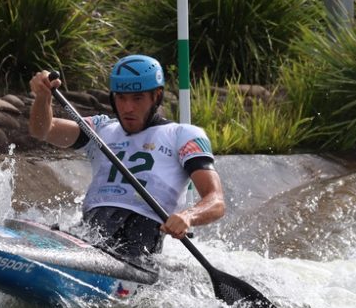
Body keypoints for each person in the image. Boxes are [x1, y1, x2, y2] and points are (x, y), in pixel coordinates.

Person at [28, 54, 225, 259]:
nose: (127, 108)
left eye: (137, 98)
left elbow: (216, 200)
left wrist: (188, 216)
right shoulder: (101, 128)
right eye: (121, 98)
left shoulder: (183, 135)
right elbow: (42, 130)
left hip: (141, 238)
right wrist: (43, 97)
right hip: (89, 230)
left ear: (156, 96)